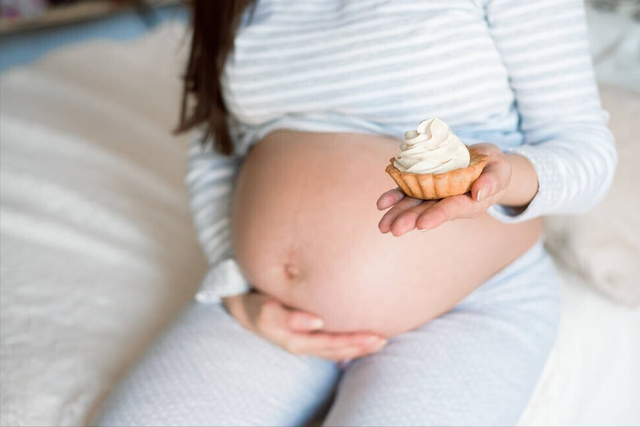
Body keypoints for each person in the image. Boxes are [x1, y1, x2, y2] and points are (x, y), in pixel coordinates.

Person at [94, 0, 617, 425]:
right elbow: (220, 147)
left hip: (469, 307)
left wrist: (507, 175)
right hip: (270, 308)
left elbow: (586, 153)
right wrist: (236, 286)